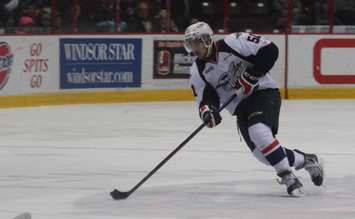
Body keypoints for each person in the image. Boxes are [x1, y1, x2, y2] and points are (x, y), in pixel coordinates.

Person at [185, 21, 324, 196]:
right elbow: (206, 99)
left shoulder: (234, 42)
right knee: (263, 155)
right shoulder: (198, 71)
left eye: (196, 42)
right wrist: (209, 112)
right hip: (241, 107)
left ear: (206, 40)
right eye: (190, 44)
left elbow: (270, 50)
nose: (193, 48)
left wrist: (253, 74)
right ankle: (306, 160)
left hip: (263, 92)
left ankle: (288, 177)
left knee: (259, 132)